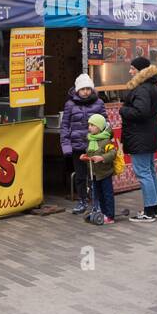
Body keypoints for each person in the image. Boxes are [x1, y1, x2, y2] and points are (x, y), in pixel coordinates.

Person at [119, 55, 157, 222]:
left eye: (132, 69)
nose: (130, 71)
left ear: (140, 71)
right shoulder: (152, 86)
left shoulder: (143, 88)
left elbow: (141, 112)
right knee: (150, 171)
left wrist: (123, 110)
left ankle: (149, 211)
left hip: (140, 136)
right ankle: (153, 208)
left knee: (144, 172)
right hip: (148, 134)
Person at [60, 73, 106, 214]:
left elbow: (105, 123)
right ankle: (82, 200)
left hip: (94, 146)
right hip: (77, 145)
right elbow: (65, 126)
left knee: (95, 175)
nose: (86, 92)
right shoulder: (70, 104)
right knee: (80, 175)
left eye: (88, 88)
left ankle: (96, 200)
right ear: (77, 90)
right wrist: (66, 146)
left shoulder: (99, 103)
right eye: (83, 89)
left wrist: (102, 142)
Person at [79, 114, 117, 223]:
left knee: (107, 194)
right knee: (97, 193)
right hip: (94, 173)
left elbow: (113, 153)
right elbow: (90, 154)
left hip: (104, 172)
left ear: (99, 127)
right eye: (89, 125)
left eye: (92, 125)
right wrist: (85, 157)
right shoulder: (91, 140)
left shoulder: (106, 141)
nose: (89, 127)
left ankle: (110, 216)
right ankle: (99, 210)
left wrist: (102, 157)